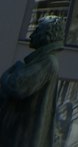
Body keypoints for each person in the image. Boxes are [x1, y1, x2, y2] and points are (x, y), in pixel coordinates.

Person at [0, 16, 64, 147]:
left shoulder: (47, 61)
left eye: (37, 31)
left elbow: (17, 86)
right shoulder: (43, 60)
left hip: (21, 138)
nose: (32, 35)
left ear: (47, 34)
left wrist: (9, 73)